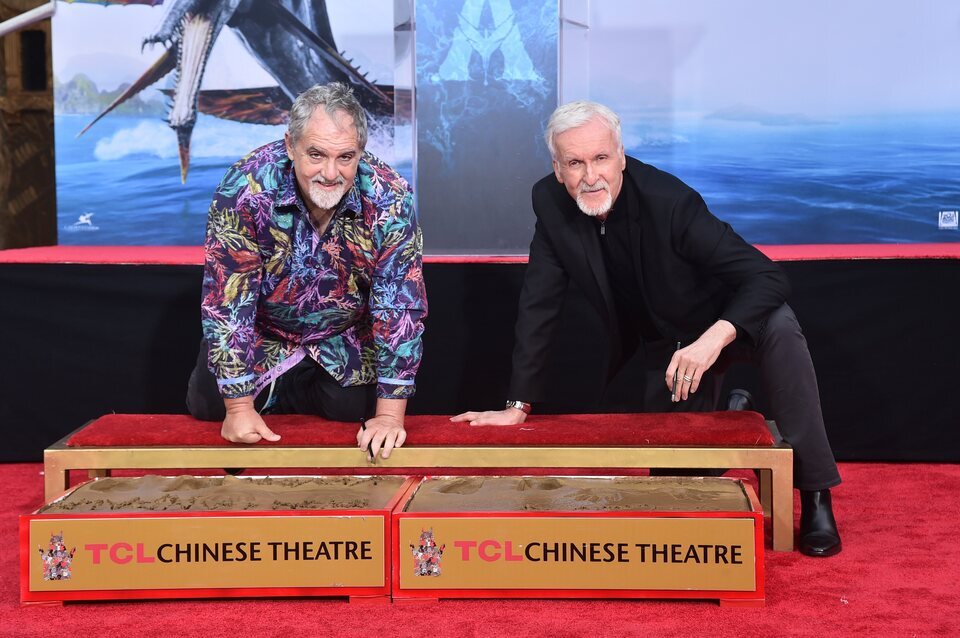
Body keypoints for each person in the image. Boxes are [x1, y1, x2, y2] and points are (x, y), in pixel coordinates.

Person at [452, 100, 842, 557]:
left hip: (726, 320)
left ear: (621, 156)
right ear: (558, 169)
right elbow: (539, 304)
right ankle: (736, 416)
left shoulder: (670, 201)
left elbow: (767, 276)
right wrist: (517, 405)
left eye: (600, 158)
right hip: (669, 344)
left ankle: (816, 494)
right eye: (575, 163)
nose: (590, 175)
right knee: (679, 488)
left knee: (780, 325)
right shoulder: (551, 201)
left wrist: (716, 336)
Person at [186, 82, 426, 460]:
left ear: (361, 152)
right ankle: (268, 390)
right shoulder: (243, 188)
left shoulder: (390, 198)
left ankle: (287, 390)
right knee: (209, 406)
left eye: (345, 157)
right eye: (316, 154)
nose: (330, 173)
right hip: (263, 330)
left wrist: (390, 416)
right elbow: (228, 298)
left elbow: (399, 306)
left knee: (351, 411)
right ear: (289, 146)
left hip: (340, 334)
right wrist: (238, 407)